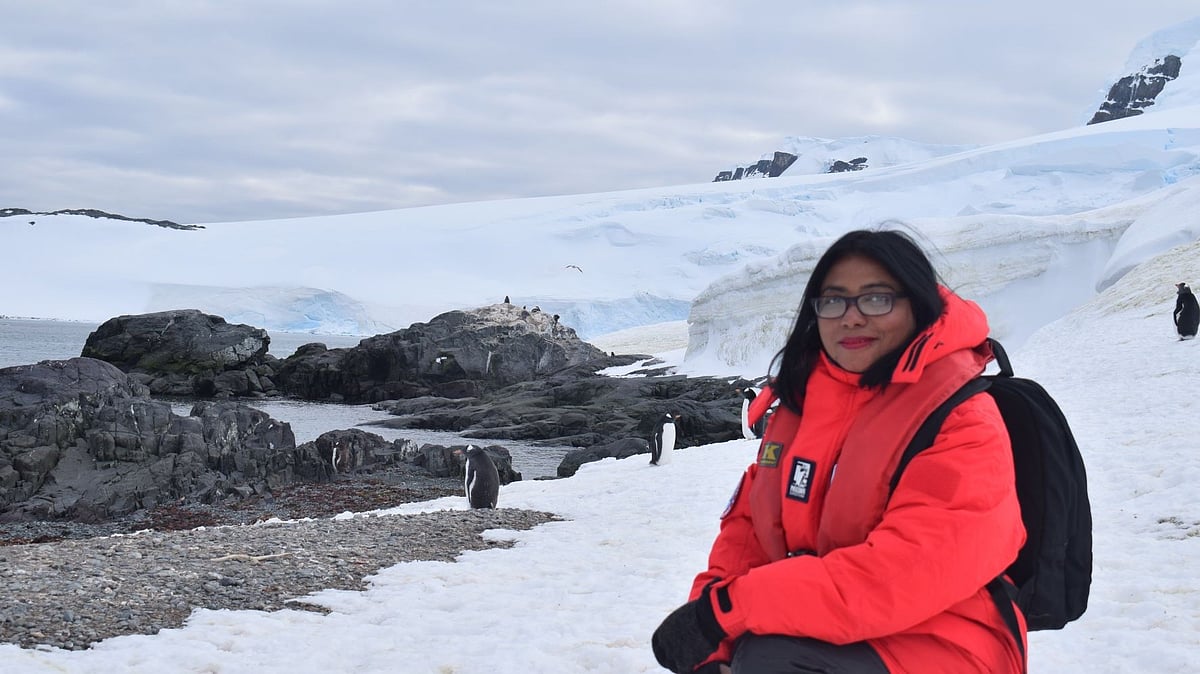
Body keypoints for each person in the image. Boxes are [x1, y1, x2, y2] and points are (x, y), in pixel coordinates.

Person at [651, 229, 1026, 673]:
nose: (851, 317)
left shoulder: (959, 420)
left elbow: (895, 578)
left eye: (876, 298)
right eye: (833, 301)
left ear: (918, 304)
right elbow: (748, 532)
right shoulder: (800, 407)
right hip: (816, 627)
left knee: (771, 661)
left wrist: (723, 612)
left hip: (945, 639)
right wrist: (711, 646)